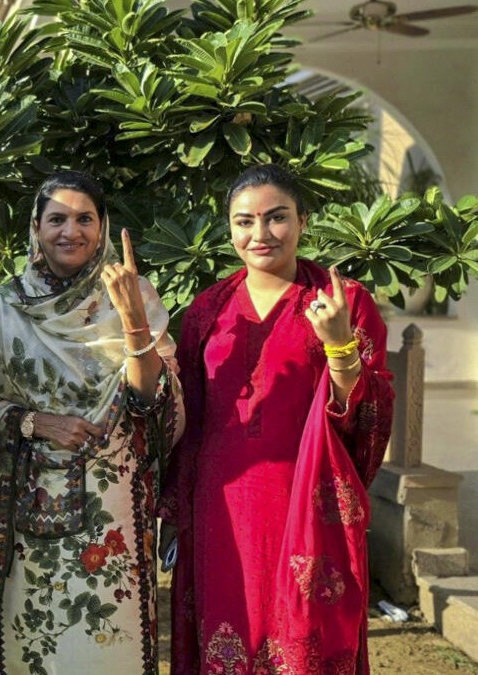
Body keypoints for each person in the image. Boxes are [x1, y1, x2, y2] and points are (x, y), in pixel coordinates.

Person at [162, 164, 395, 674]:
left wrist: (339, 344)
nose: (260, 234)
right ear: (229, 228)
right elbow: (187, 416)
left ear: (303, 221)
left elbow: (370, 412)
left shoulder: (343, 301)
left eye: (276, 218)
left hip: (307, 505)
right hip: (221, 512)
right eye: (244, 221)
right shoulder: (207, 310)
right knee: (227, 635)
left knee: (305, 641)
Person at [0, 171, 185, 673]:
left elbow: (153, 402)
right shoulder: (6, 304)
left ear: (102, 229)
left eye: (85, 219)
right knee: (36, 648)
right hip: (26, 508)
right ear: (36, 228)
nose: (70, 231)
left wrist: (132, 321)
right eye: (56, 218)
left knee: (110, 645)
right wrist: (38, 422)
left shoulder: (133, 293)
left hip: (116, 508)